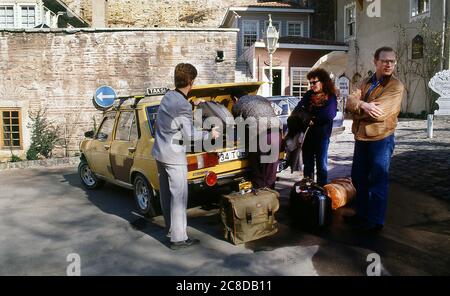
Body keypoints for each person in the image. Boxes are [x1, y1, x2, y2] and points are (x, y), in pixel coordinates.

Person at [152, 63, 220, 250]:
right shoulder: (182, 104)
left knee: (166, 195)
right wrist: (210, 134)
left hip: (160, 153)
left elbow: (175, 114)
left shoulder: (168, 95)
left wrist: (192, 104)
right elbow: (190, 136)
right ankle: (179, 239)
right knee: (179, 197)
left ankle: (170, 230)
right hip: (174, 157)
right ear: (191, 81)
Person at [345, 46, 404, 233]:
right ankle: (361, 214)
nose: (389, 64)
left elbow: (380, 114)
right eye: (385, 61)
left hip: (381, 138)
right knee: (358, 177)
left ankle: (375, 220)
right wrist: (363, 104)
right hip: (361, 137)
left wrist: (357, 111)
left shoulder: (395, 86)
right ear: (375, 62)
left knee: (378, 179)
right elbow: (349, 102)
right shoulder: (366, 82)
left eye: (392, 61)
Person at [293, 68, 337, 187]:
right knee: (308, 164)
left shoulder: (330, 97)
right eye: (310, 83)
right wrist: (308, 118)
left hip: (322, 135)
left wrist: (311, 117)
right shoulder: (308, 94)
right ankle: (308, 188)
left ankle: (322, 189)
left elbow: (329, 115)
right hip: (307, 135)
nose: (312, 85)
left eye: (314, 82)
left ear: (323, 82)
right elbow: (297, 110)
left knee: (321, 164)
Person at [231, 94, 281, 189]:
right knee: (271, 170)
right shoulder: (261, 98)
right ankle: (271, 198)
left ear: (235, 98)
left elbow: (239, 127)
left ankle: (260, 197)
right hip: (276, 132)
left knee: (258, 170)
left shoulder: (237, 105)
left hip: (260, 134)